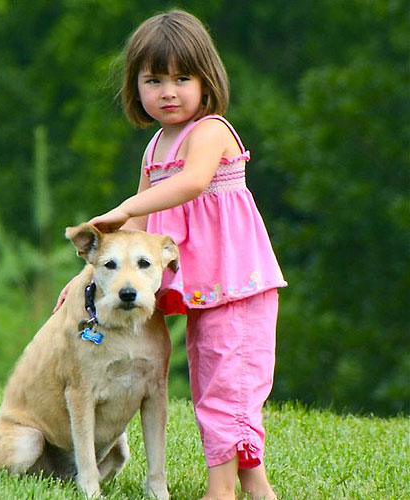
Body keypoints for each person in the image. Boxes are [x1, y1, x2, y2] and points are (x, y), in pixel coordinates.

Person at [58, 9, 287, 500]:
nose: (168, 91)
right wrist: (84, 282)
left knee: (230, 387)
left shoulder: (211, 131)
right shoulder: (155, 146)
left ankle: (220, 491)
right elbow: (135, 235)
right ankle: (256, 488)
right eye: (153, 80)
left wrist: (121, 206)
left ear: (207, 81)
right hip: (203, 293)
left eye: (183, 78)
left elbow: (194, 182)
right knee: (214, 386)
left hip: (238, 284)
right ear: (135, 87)